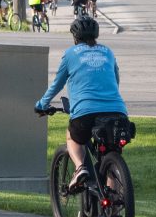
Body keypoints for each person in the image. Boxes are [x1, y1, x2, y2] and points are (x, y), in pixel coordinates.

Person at [34, 14, 127, 190]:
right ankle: (114, 213)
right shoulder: (107, 51)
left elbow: (57, 84)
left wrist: (42, 104)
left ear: (75, 37)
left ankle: (80, 168)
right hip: (117, 110)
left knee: (73, 136)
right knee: (111, 157)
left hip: (85, 111)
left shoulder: (70, 54)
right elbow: (115, 79)